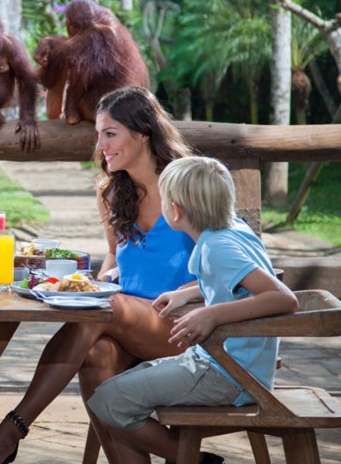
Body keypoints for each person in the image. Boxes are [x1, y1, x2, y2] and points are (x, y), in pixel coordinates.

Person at [0, 86, 197, 464]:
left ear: (142, 133)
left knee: (98, 311)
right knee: (96, 356)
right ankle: (187, 459)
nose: (101, 145)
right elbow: (112, 254)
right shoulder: (111, 191)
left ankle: (12, 431)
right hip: (128, 321)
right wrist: (104, 276)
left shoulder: (186, 184)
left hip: (183, 325)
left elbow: (228, 259)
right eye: (98, 135)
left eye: (110, 133)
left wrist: (185, 294)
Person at [88, 156, 298, 463]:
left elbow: (282, 299)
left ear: (175, 210)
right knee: (114, 394)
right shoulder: (230, 233)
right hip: (221, 363)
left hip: (229, 374)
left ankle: (195, 460)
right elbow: (236, 282)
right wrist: (185, 294)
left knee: (108, 402)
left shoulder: (218, 248)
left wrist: (211, 314)